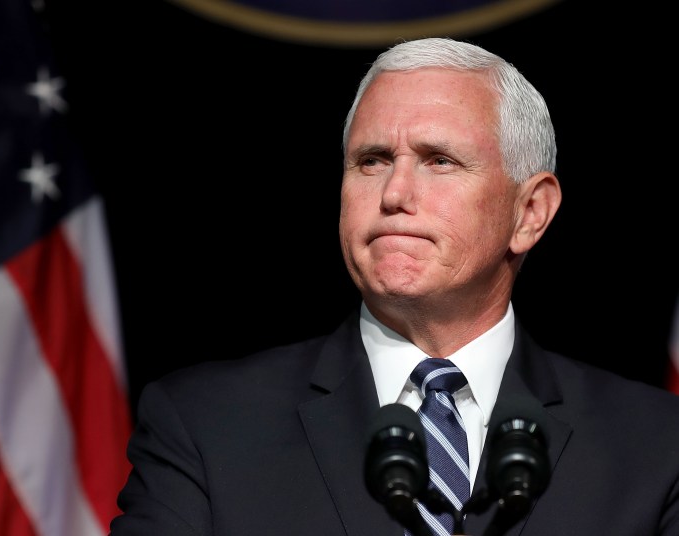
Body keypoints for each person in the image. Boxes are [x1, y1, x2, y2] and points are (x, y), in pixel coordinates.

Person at [109, 37, 679, 535]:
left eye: (439, 161)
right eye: (373, 160)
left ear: (529, 212)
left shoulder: (657, 445)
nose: (394, 193)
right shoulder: (206, 424)